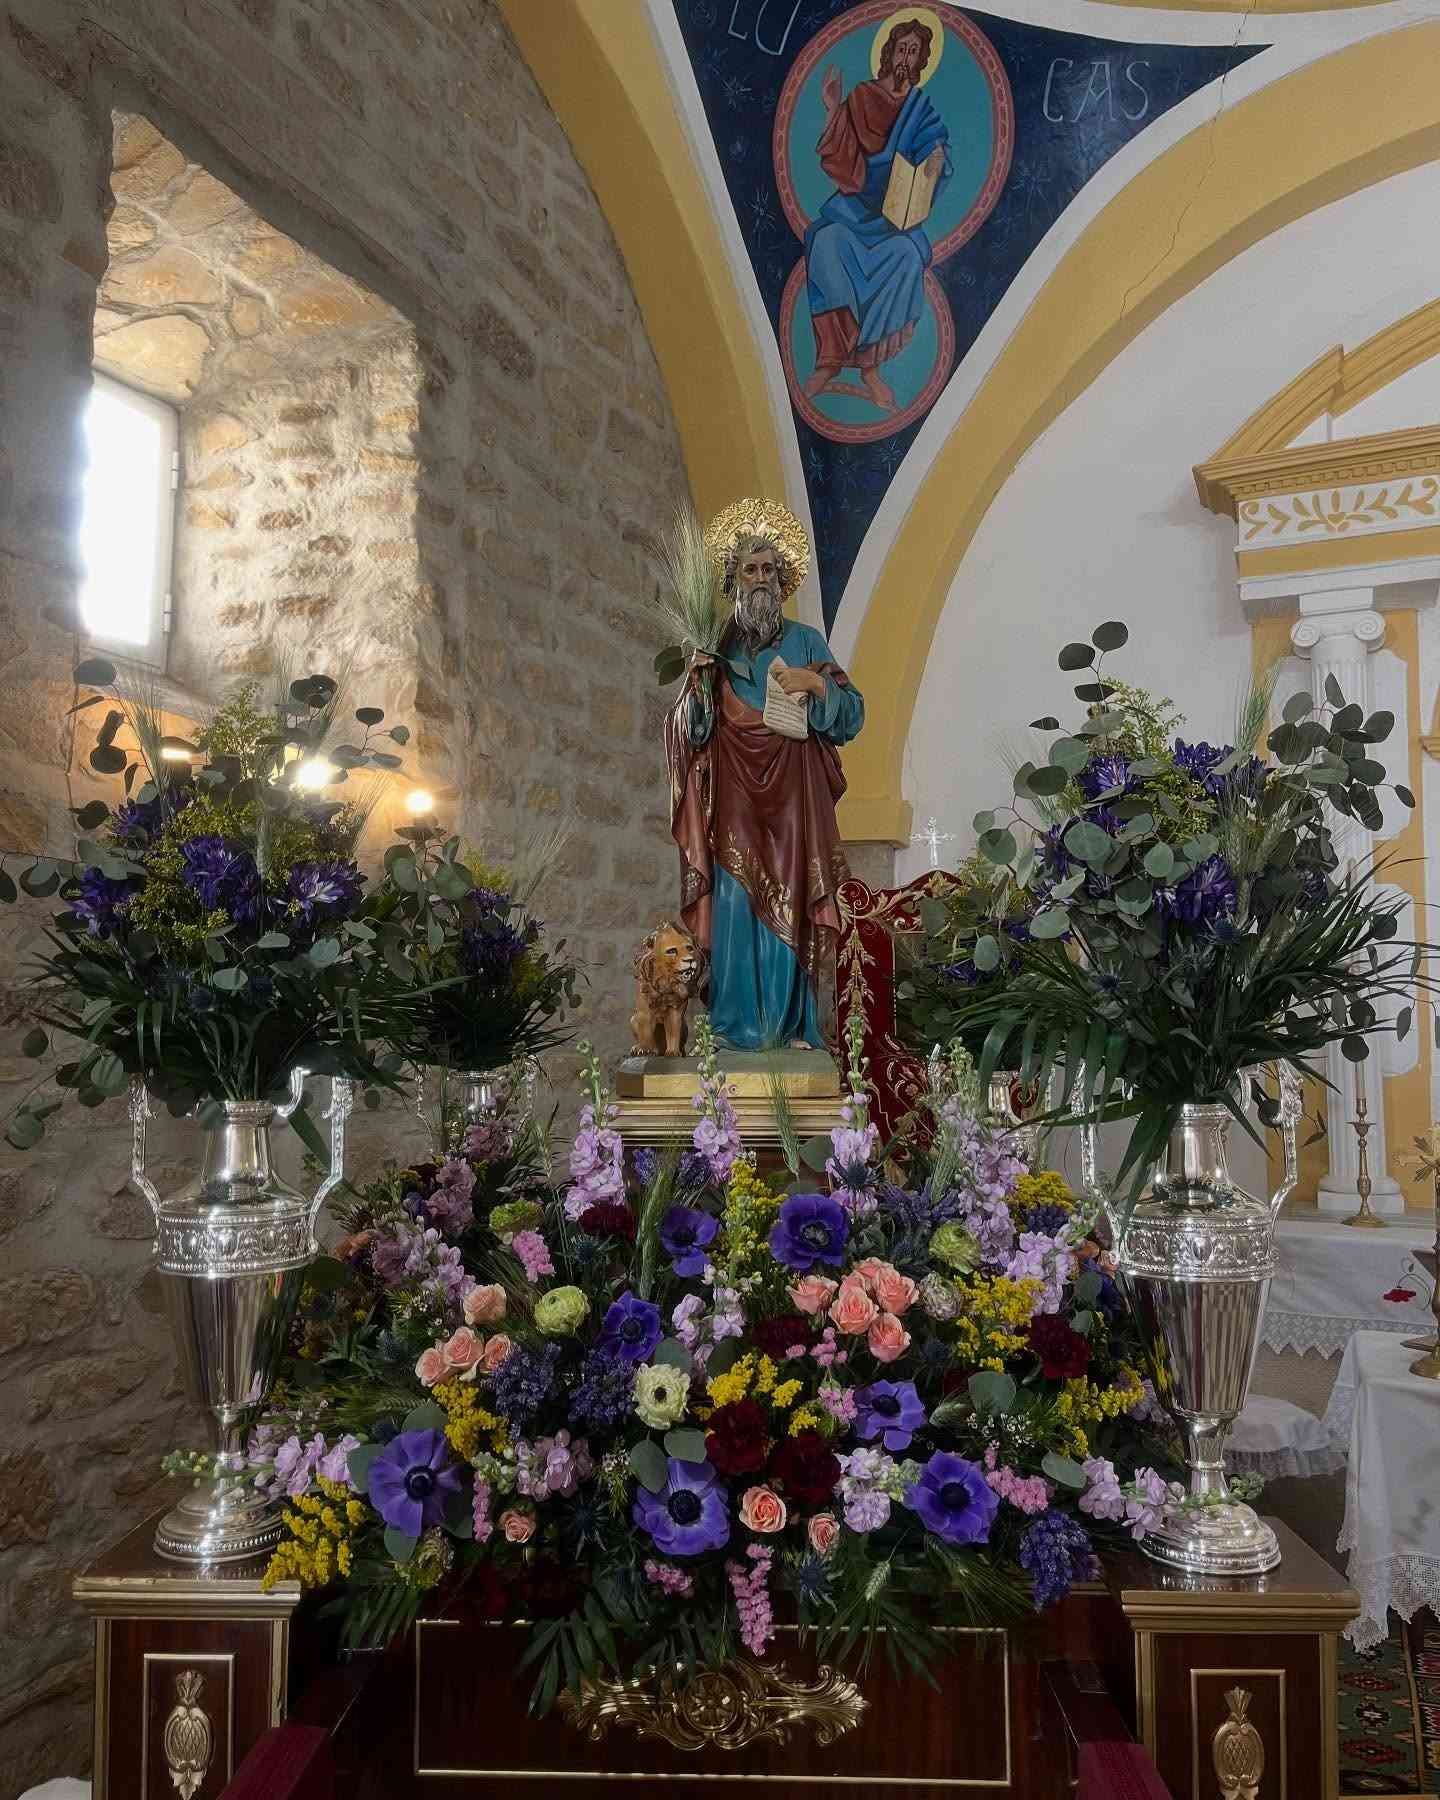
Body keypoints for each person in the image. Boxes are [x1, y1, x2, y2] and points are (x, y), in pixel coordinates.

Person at [665, 501, 864, 1050]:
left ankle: (790, 1026)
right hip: (733, 796)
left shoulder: (805, 642)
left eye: (770, 570)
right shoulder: (715, 643)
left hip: (792, 799)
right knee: (732, 904)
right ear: (732, 578)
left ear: (783, 580)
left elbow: (853, 714)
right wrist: (697, 686)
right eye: (750, 569)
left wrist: (817, 685)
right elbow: (694, 732)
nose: (760, 579)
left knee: (790, 902)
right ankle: (733, 1029)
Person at [802, 18, 950, 413]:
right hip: (854, 209)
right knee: (825, 241)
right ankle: (829, 360)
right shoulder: (864, 96)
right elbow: (839, 150)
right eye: (901, 49)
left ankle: (870, 368)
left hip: (895, 219)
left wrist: (936, 161)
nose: (905, 57)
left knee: (906, 258)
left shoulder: (921, 110)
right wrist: (834, 107)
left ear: (921, 59)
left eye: (913, 51)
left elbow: (937, 154)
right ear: (888, 53)